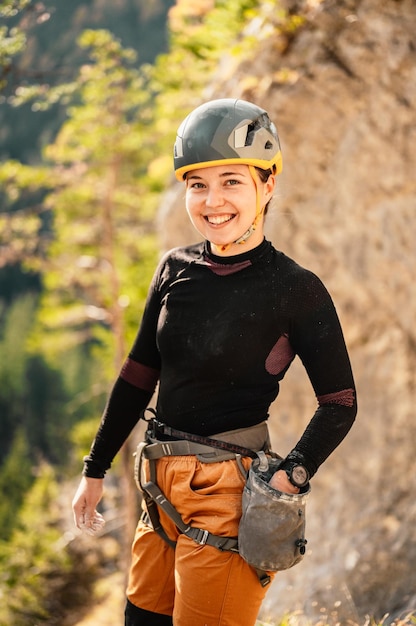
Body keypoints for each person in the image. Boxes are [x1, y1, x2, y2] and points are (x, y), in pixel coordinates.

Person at [72, 98, 357, 626]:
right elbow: (139, 374)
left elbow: (339, 402)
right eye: (198, 184)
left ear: (266, 185)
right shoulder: (173, 269)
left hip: (229, 492)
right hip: (158, 485)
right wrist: (96, 467)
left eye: (232, 181)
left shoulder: (296, 289)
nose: (213, 200)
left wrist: (291, 477)